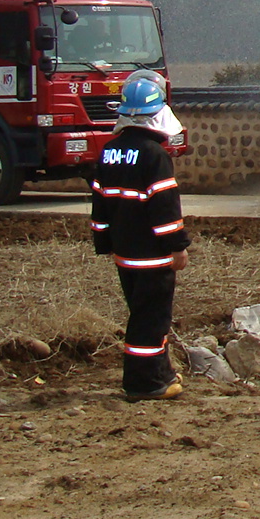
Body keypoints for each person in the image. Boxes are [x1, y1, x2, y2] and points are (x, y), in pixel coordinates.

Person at [90, 71, 190, 401]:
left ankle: (162, 373)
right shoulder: (154, 155)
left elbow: (100, 204)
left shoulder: (109, 152)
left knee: (142, 314)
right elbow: (165, 207)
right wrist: (177, 246)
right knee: (151, 321)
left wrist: (103, 242)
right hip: (153, 257)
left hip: (125, 255)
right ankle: (144, 384)